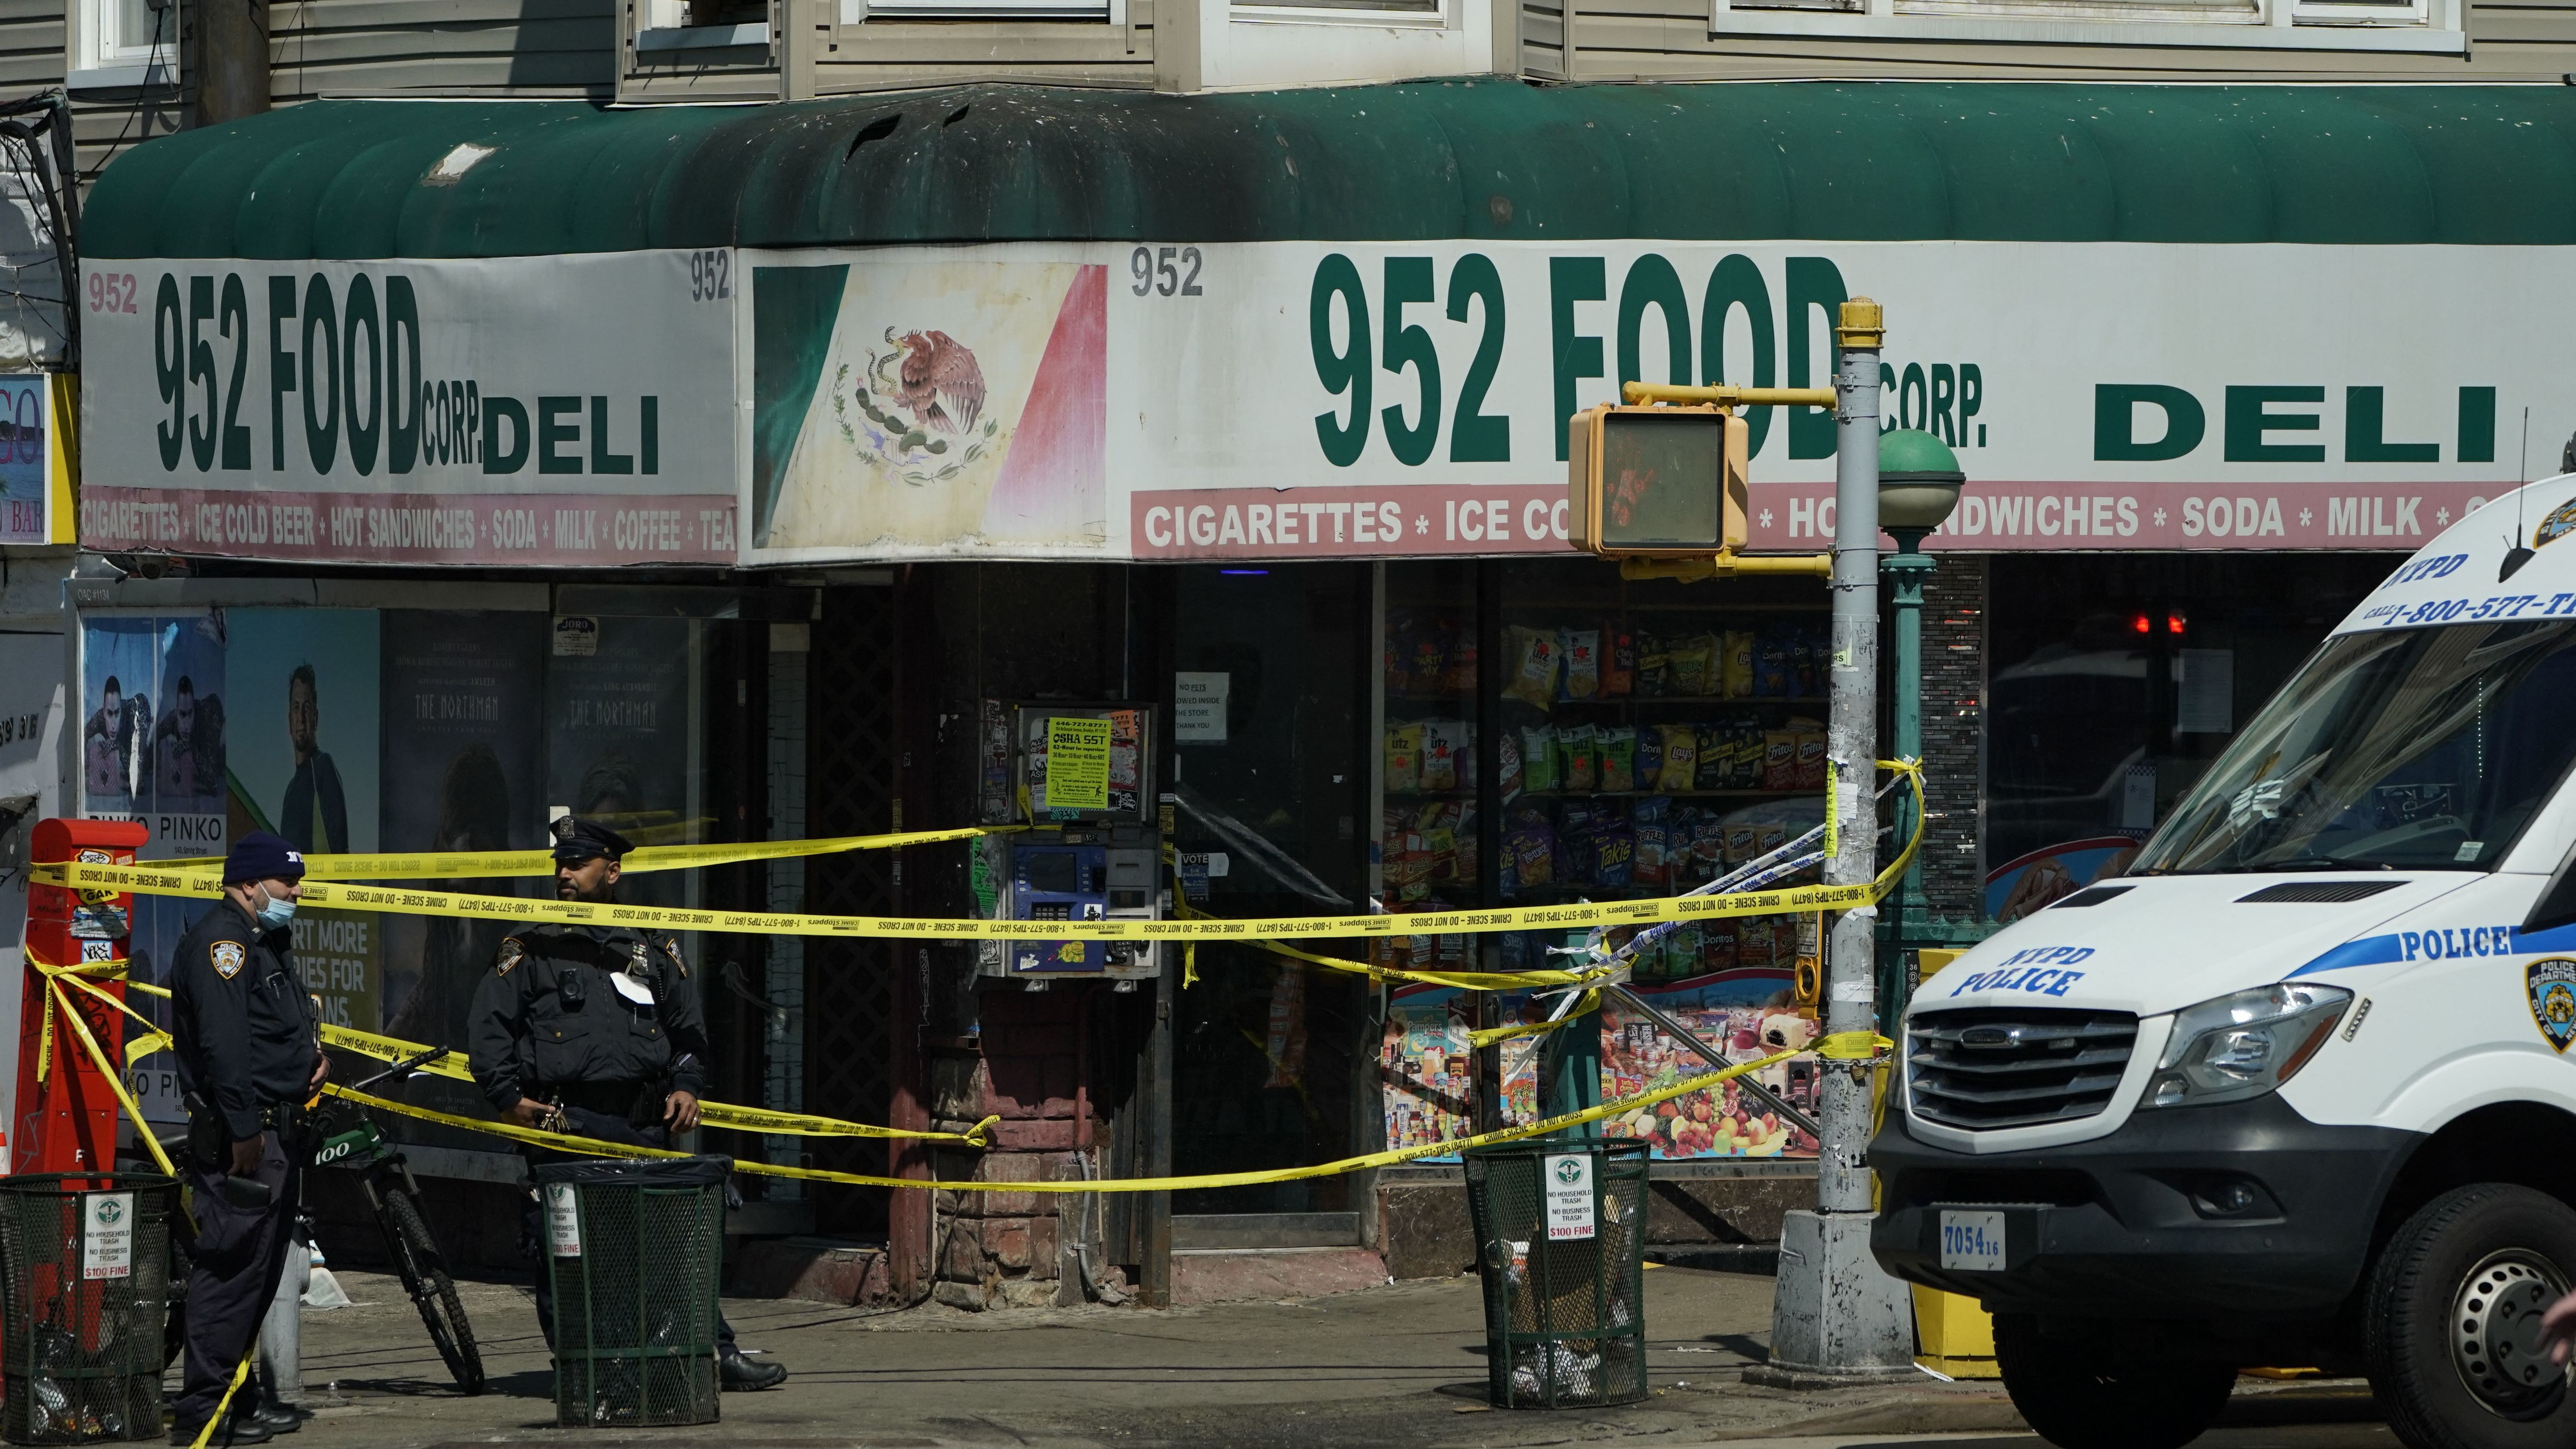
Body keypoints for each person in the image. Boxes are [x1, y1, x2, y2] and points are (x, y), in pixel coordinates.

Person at [466, 816, 788, 1392]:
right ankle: (587, 1368)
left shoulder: (651, 944)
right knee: (567, 1251)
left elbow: (689, 1034)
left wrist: (686, 1086)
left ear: (611, 872)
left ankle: (710, 1354)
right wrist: (509, 1099)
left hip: (641, 1123)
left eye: (578, 864)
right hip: (565, 1124)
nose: (564, 874)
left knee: (666, 1246)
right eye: (560, 865)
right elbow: (488, 1032)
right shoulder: (530, 944)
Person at [169, 831, 326, 1446]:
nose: (297, 892)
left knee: (255, 1279)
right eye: (287, 882)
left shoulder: (264, 940)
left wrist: (311, 1061)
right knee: (230, 1276)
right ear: (249, 884)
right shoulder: (224, 944)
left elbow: (273, 1029)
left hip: (274, 1136)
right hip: (246, 1142)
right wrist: (242, 1132)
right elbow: (225, 1047)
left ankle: (237, 1402)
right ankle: (203, 1419)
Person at [279, 665, 347, 855]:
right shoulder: (291, 790)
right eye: (296, 708)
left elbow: (341, 854)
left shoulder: (323, 768)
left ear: (315, 718)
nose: (301, 718)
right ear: (290, 720)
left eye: (307, 708)